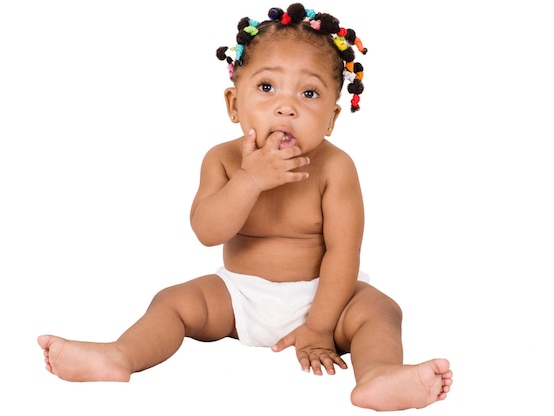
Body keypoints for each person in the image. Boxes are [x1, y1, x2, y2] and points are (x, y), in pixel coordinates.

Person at [37, 3, 453, 411]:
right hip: (238, 297)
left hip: (325, 297)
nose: (286, 106)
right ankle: (120, 355)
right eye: (267, 87)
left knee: (380, 310)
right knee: (173, 301)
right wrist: (251, 180)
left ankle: (379, 374)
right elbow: (207, 231)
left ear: (331, 119)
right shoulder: (222, 159)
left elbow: (344, 252)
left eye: (309, 93)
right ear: (234, 104)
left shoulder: (336, 168)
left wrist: (320, 327)